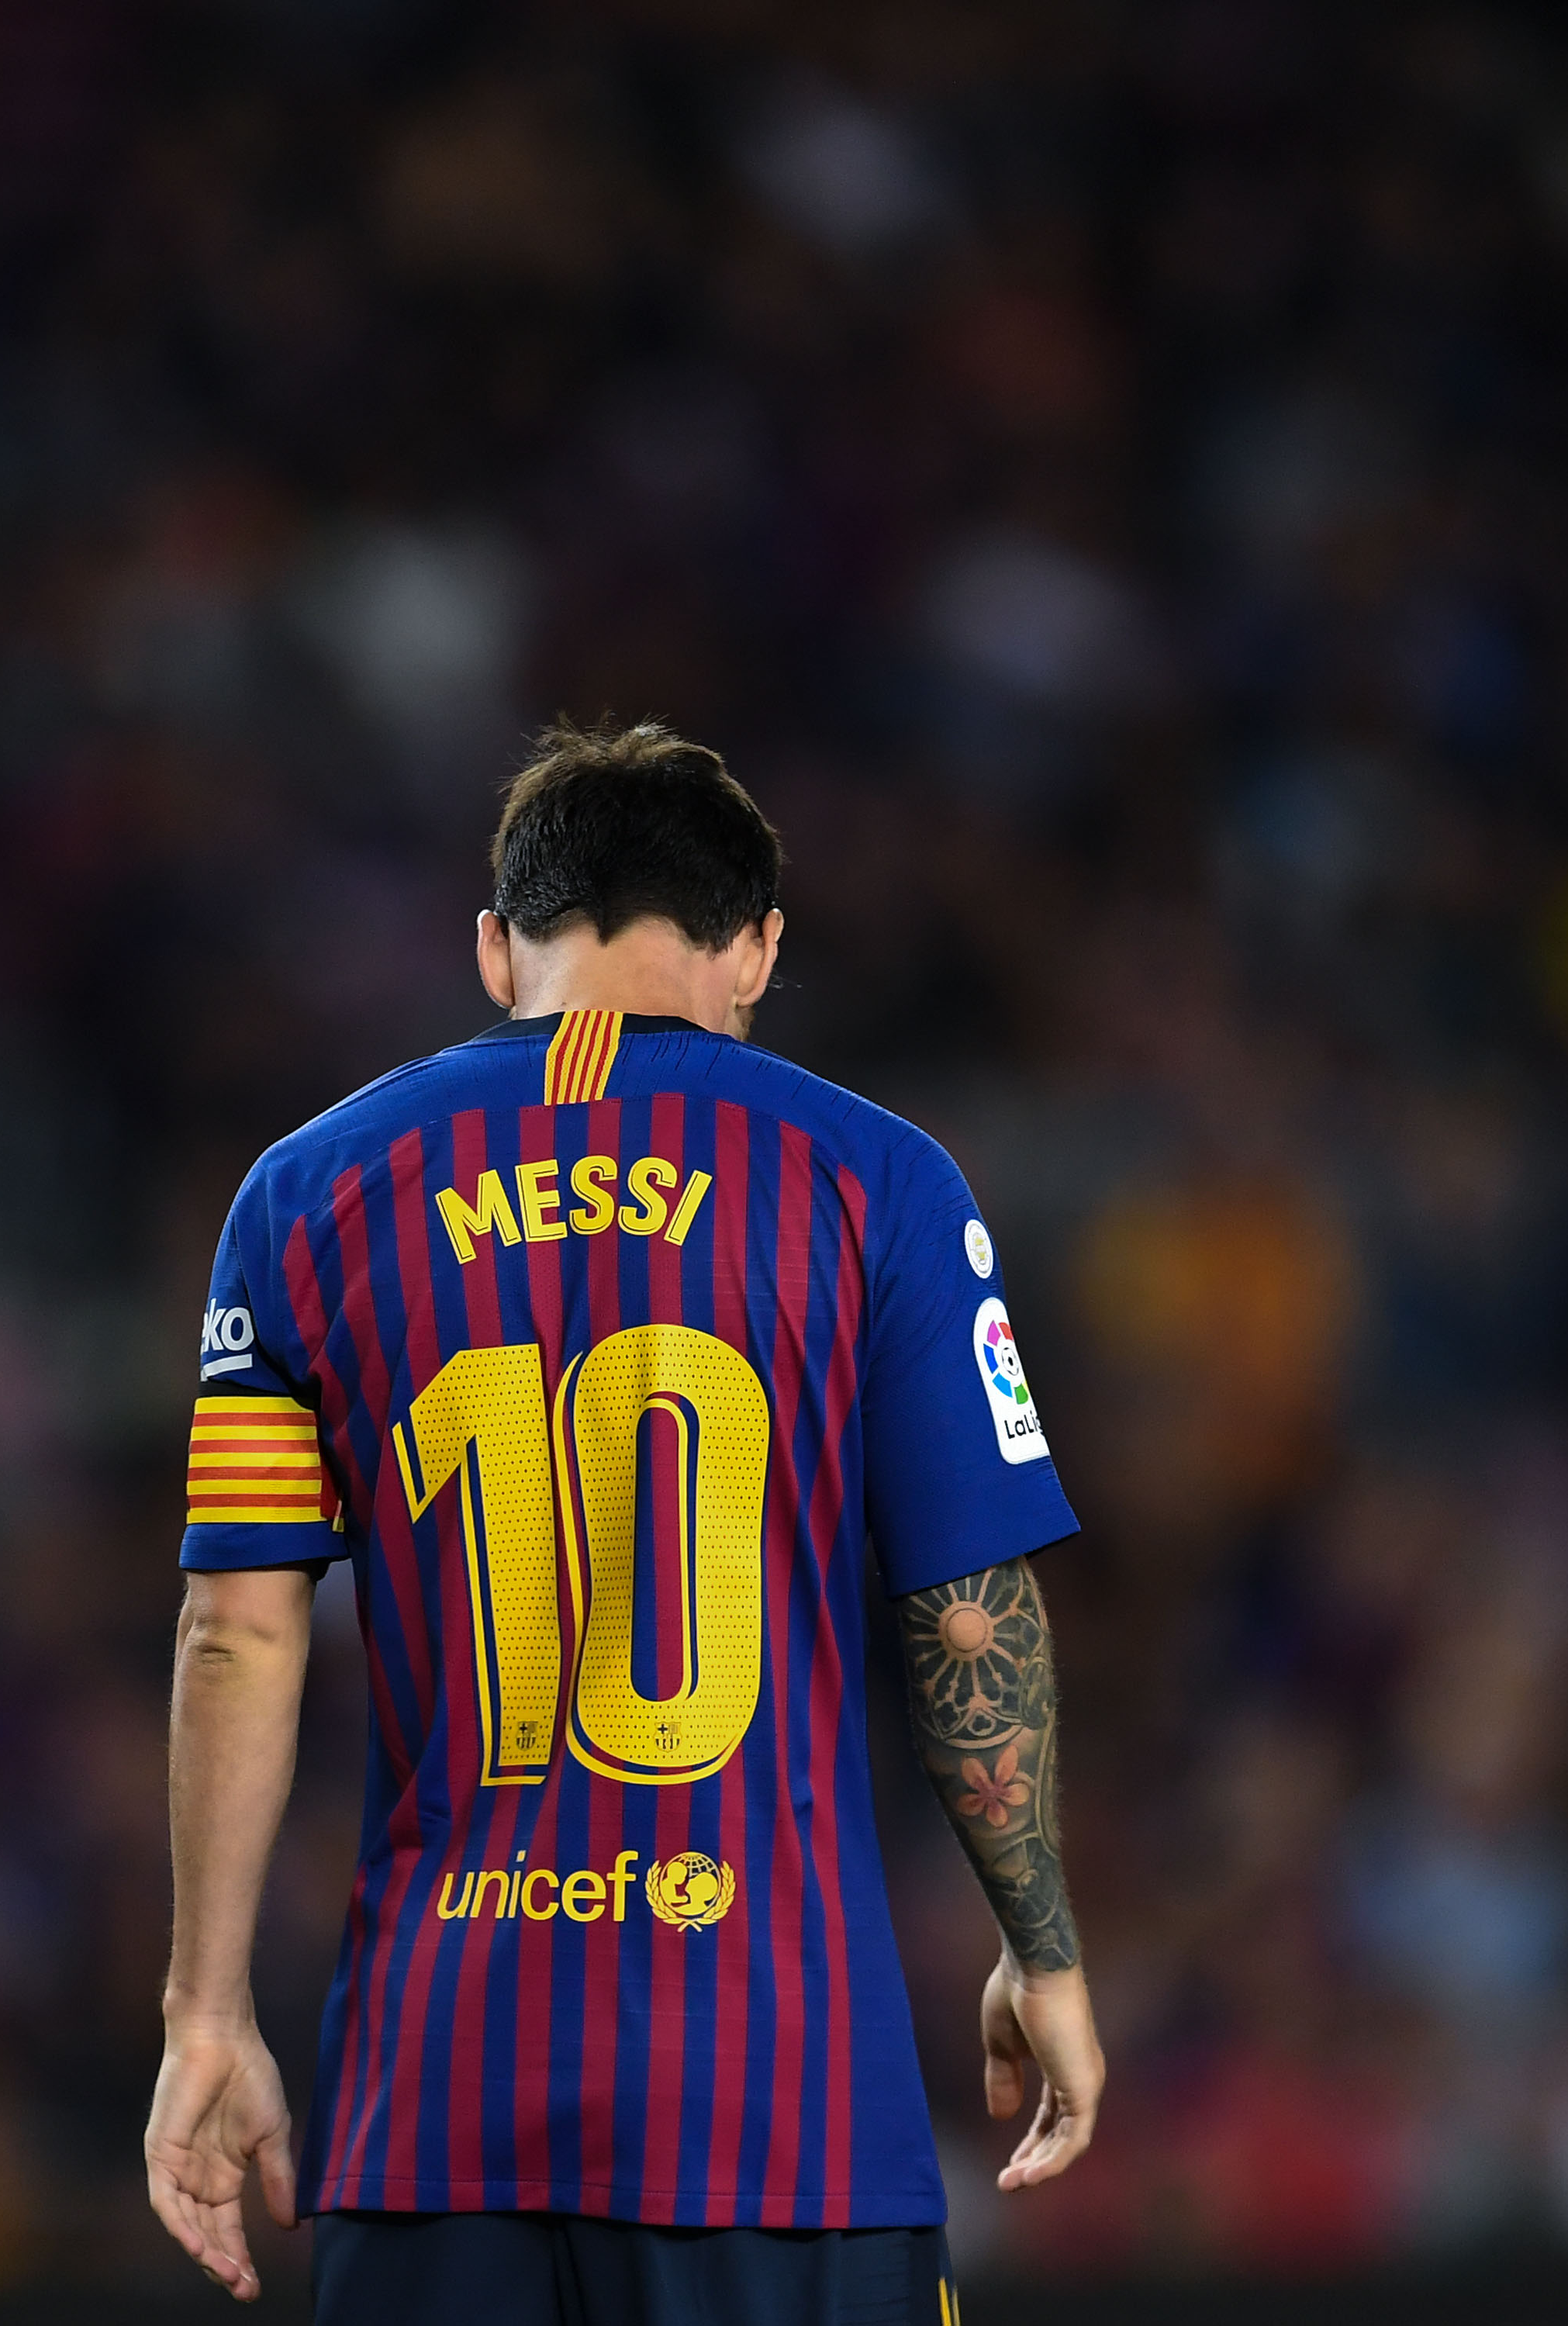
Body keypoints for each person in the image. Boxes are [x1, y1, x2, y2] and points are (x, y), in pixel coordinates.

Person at [146, 721, 1103, 2321]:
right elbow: (963, 1609)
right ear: (757, 949)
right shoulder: (879, 1181)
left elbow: (237, 1630)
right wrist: (1044, 1953)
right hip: (777, 2108)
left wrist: (204, 2013)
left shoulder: (303, 1194)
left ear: (492, 949)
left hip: (432, 2105)